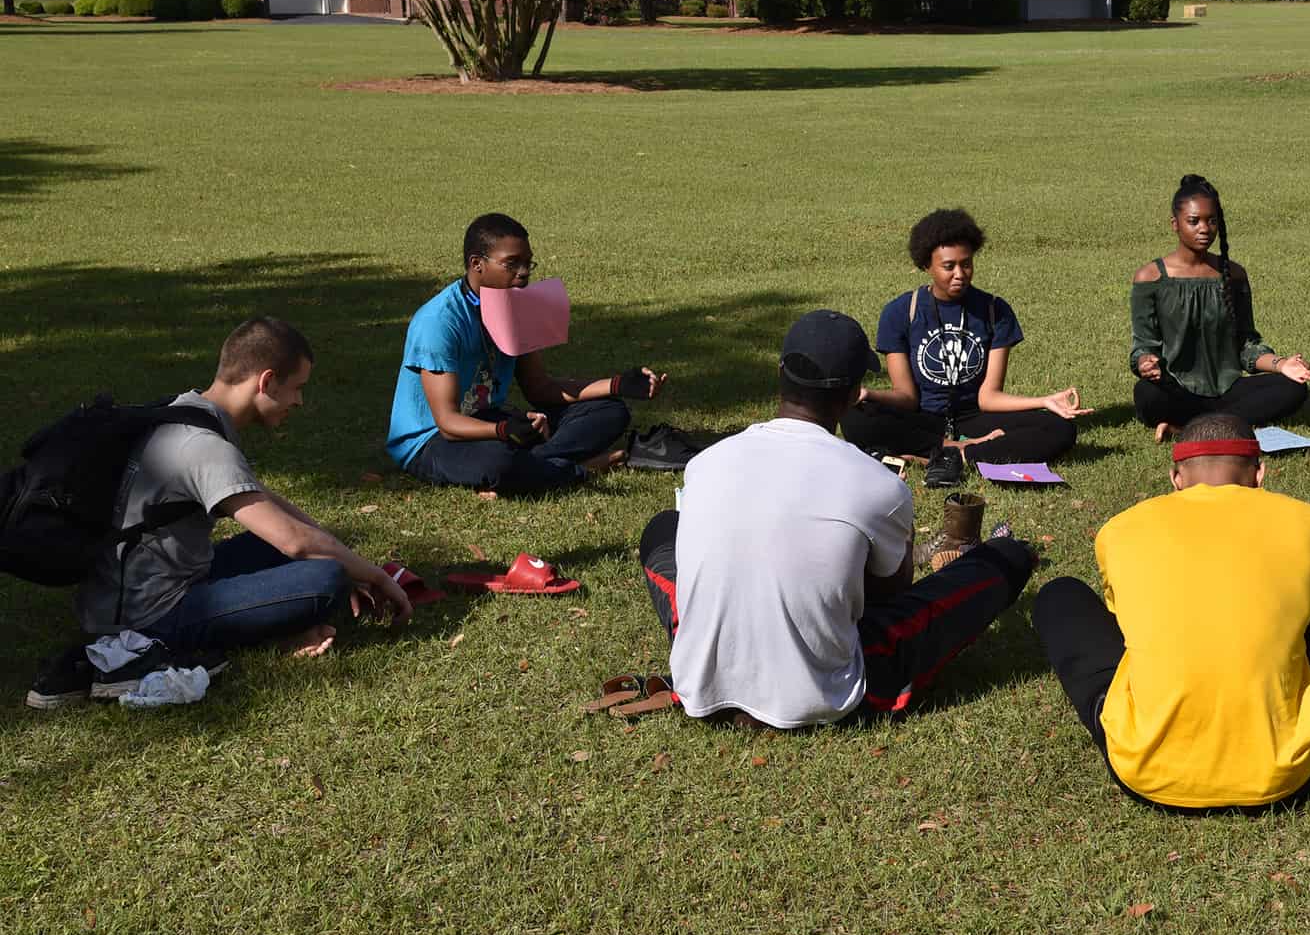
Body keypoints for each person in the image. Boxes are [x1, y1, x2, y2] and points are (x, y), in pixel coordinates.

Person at [1032, 413, 1310, 814]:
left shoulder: (1119, 530)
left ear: (1176, 478)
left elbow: (1122, 619)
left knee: (1059, 595)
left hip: (1145, 771)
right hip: (1289, 773)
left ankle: (1137, 720)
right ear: (1259, 474)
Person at [638, 310, 1038, 728]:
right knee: (1003, 560)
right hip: (825, 695)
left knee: (663, 528)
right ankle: (1009, 554)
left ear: (780, 375)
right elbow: (891, 594)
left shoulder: (705, 463)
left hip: (701, 686)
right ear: (852, 395)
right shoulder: (877, 485)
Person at [61, 319, 411, 682]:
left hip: (132, 590)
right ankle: (270, 636)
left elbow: (263, 500)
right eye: (297, 388)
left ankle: (281, 618)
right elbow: (295, 541)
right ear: (267, 381)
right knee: (327, 577)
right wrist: (375, 577)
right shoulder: (205, 447)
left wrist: (340, 550)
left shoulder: (187, 410)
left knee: (322, 551)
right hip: (146, 617)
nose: (300, 401)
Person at [385, 213, 663, 494]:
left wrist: (617, 384)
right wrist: (504, 431)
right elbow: (447, 423)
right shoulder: (440, 322)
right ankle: (574, 469)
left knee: (611, 411)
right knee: (499, 461)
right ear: (476, 264)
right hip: (431, 441)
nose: (524, 272)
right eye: (511, 263)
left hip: (490, 421)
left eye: (527, 263)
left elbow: (540, 388)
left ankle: (538, 465)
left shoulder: (516, 306)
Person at [842, 208, 1089, 470]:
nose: (960, 273)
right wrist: (870, 393)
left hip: (975, 416)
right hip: (921, 418)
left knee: (1059, 428)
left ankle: (956, 455)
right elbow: (907, 397)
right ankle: (960, 448)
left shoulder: (995, 311)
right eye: (949, 266)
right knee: (854, 417)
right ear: (927, 265)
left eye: (966, 263)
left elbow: (989, 397)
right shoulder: (901, 311)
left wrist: (1043, 401)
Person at [1130, 174, 1310, 441]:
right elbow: (1142, 345)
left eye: (1212, 220)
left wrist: (1282, 364)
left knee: (1294, 389)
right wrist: (1144, 362)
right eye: (1193, 221)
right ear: (1175, 224)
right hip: (1178, 389)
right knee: (1146, 394)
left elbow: (1246, 344)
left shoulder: (1234, 275)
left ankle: (1188, 428)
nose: (1204, 228)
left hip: (1229, 388)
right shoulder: (1150, 277)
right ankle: (1227, 423)